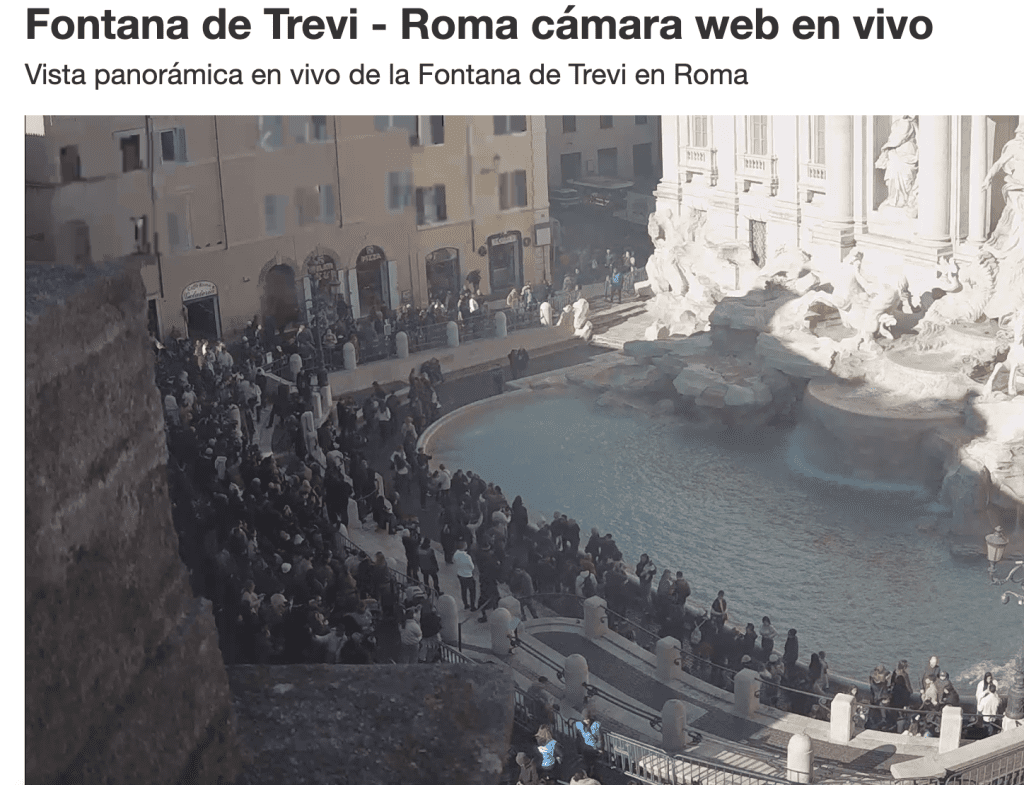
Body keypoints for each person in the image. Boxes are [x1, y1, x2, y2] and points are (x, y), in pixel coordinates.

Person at [574, 709, 602, 775]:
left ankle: (591, 773)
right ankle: (589, 774)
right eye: (586, 719)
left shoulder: (595, 725)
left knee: (592, 763)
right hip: (585, 749)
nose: (588, 720)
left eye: (589, 718)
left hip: (593, 749)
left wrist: (599, 748)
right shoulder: (579, 725)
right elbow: (578, 738)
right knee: (587, 764)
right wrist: (578, 749)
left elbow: (599, 738)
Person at [453, 541, 477, 611]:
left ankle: (465, 604)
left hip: (460, 575)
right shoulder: (467, 557)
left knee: (463, 590)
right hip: (468, 576)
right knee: (472, 591)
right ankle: (472, 606)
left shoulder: (455, 554)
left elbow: (454, 561)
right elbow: (472, 567)